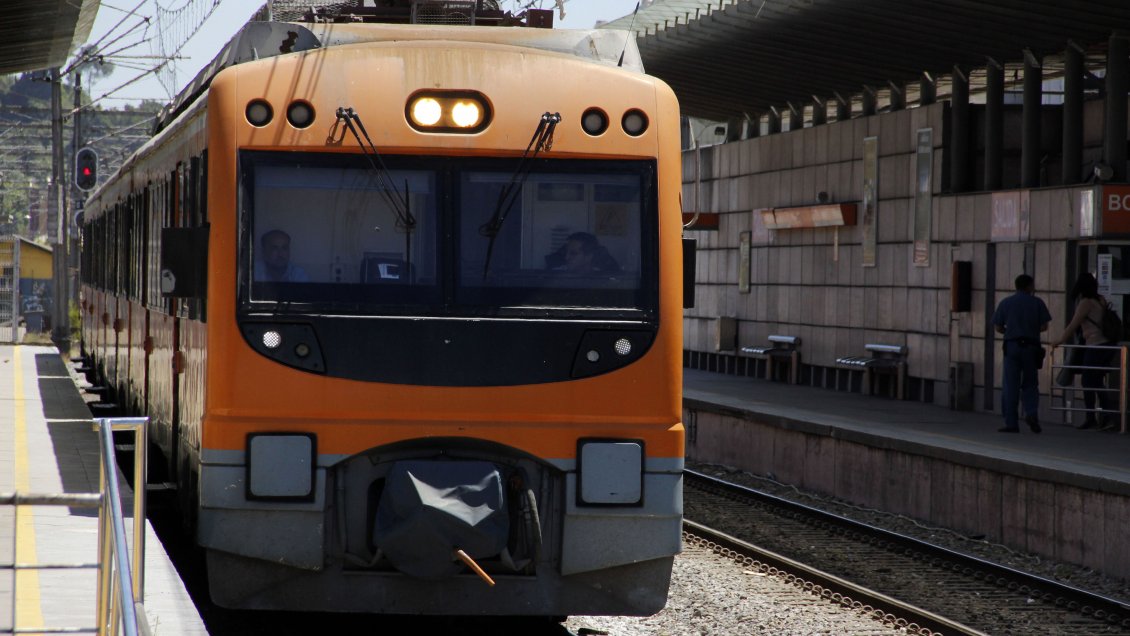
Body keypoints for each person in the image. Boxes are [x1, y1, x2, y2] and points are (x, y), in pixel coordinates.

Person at [1050, 272, 1118, 430]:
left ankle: (1097, 417)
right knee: (1096, 380)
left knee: (1088, 381)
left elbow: (1074, 324)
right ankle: (1104, 416)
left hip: (1095, 345)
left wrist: (1059, 340)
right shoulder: (1100, 300)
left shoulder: (1086, 303)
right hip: (1106, 345)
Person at [992, 274, 1051, 434]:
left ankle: (1011, 422)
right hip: (1031, 347)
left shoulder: (1006, 303)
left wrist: (1010, 331)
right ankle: (1031, 413)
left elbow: (997, 327)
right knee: (1031, 383)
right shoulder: (1037, 303)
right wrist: (1031, 330)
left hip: (1011, 346)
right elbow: (1044, 326)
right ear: (1029, 286)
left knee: (1010, 385)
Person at [545, 232, 620, 274]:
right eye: (566, 252)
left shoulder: (601, 278)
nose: (566, 257)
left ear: (589, 256)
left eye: (573, 253)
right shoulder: (554, 275)